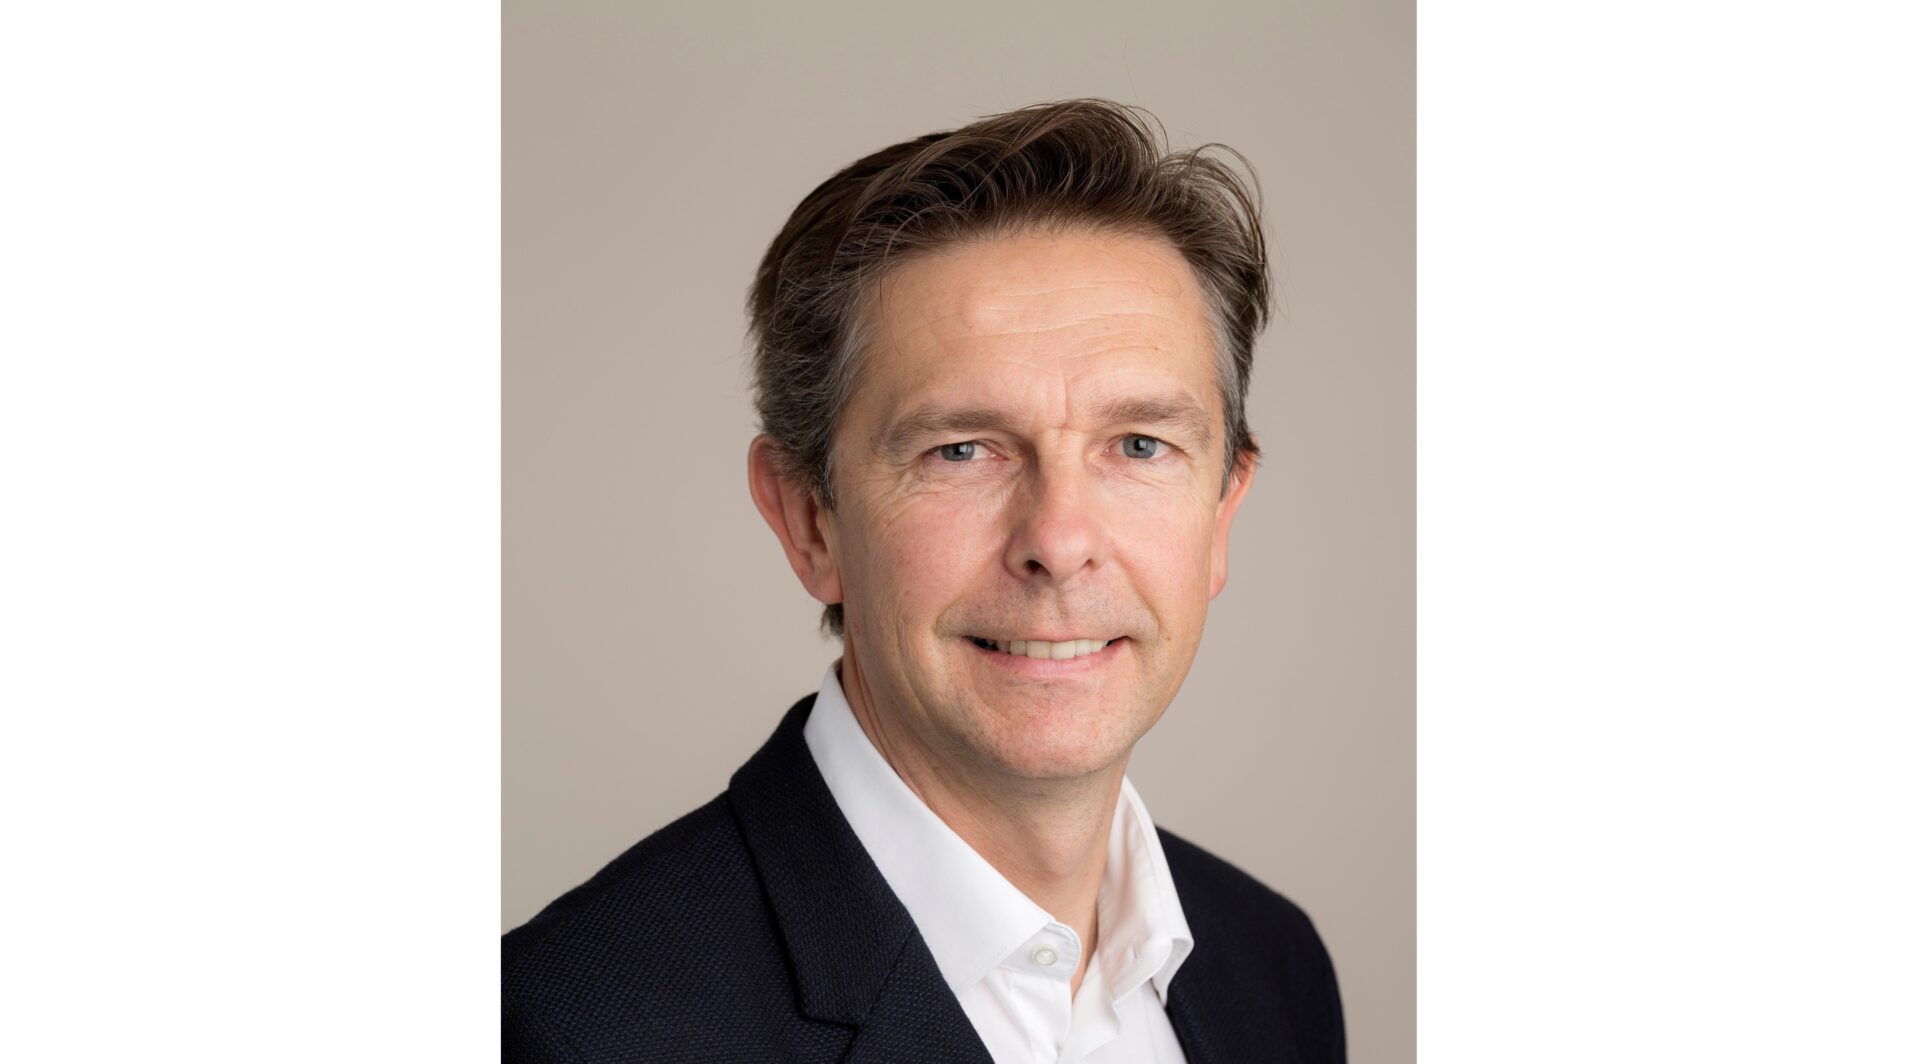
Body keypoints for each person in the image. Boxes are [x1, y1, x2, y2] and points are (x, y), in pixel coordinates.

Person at [502, 98, 1345, 1064]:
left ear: (1221, 514)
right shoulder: (567, 1033)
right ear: (808, 520)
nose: (1059, 541)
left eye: (1141, 444)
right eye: (962, 450)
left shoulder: (1273, 969)